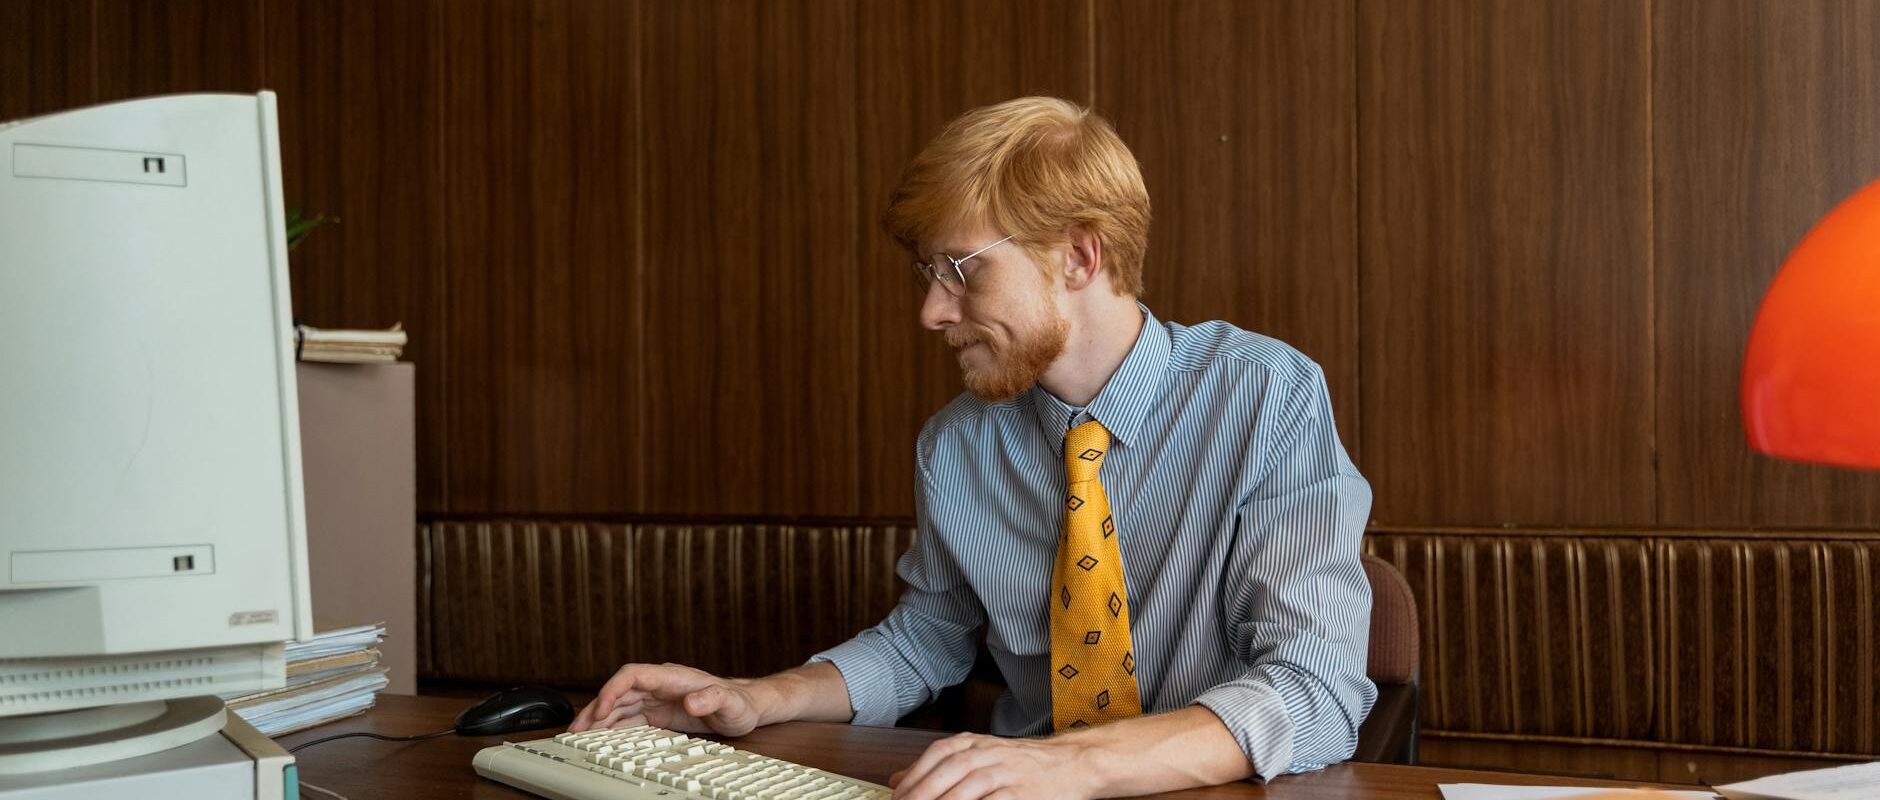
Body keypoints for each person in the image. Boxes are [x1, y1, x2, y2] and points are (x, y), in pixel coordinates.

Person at [569, 96, 1375, 799]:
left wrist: (1072, 767)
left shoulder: (1269, 395)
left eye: (959, 269)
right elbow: (926, 641)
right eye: (927, 272)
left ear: (1078, 255)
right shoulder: (955, 445)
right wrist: (758, 698)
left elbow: (1315, 693)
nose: (931, 311)